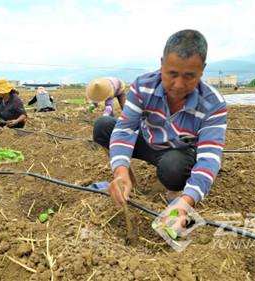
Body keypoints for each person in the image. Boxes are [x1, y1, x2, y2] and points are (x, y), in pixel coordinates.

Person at [93, 29, 227, 227]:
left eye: (189, 76)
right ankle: (128, 183)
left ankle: (176, 192)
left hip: (178, 153)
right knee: (103, 126)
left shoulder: (212, 104)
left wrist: (186, 201)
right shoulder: (142, 86)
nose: (178, 84)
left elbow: (210, 158)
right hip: (148, 141)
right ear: (162, 64)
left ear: (202, 70)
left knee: (173, 168)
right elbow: (125, 130)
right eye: (171, 74)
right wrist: (119, 173)